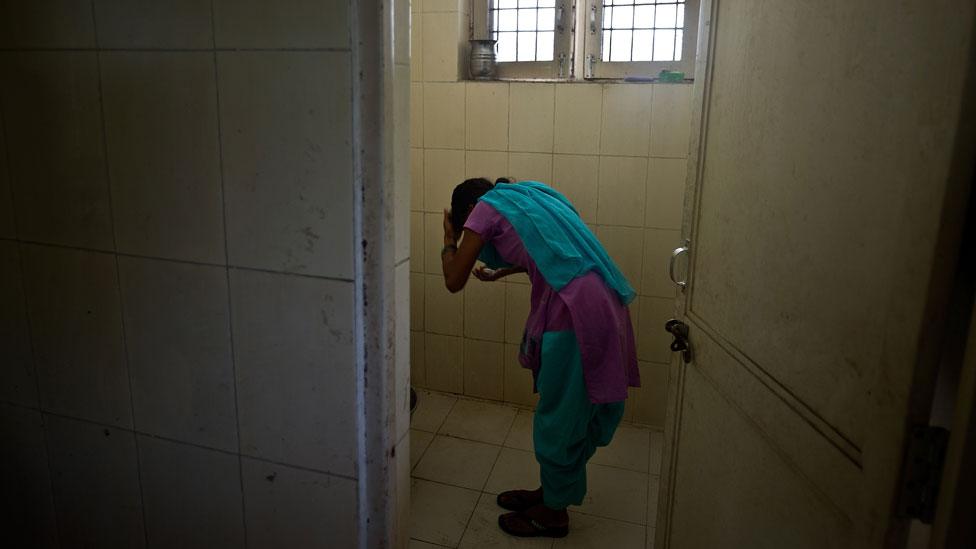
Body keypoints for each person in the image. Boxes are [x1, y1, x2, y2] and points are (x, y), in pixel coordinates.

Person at [440, 177, 640, 538]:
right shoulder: (531, 195)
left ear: (469, 210)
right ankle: (552, 491)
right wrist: (506, 269)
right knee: (570, 408)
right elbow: (552, 249)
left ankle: (553, 514)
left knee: (559, 416)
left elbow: (454, 279)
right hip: (602, 300)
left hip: (574, 312)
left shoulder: (484, 210)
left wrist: (449, 240)